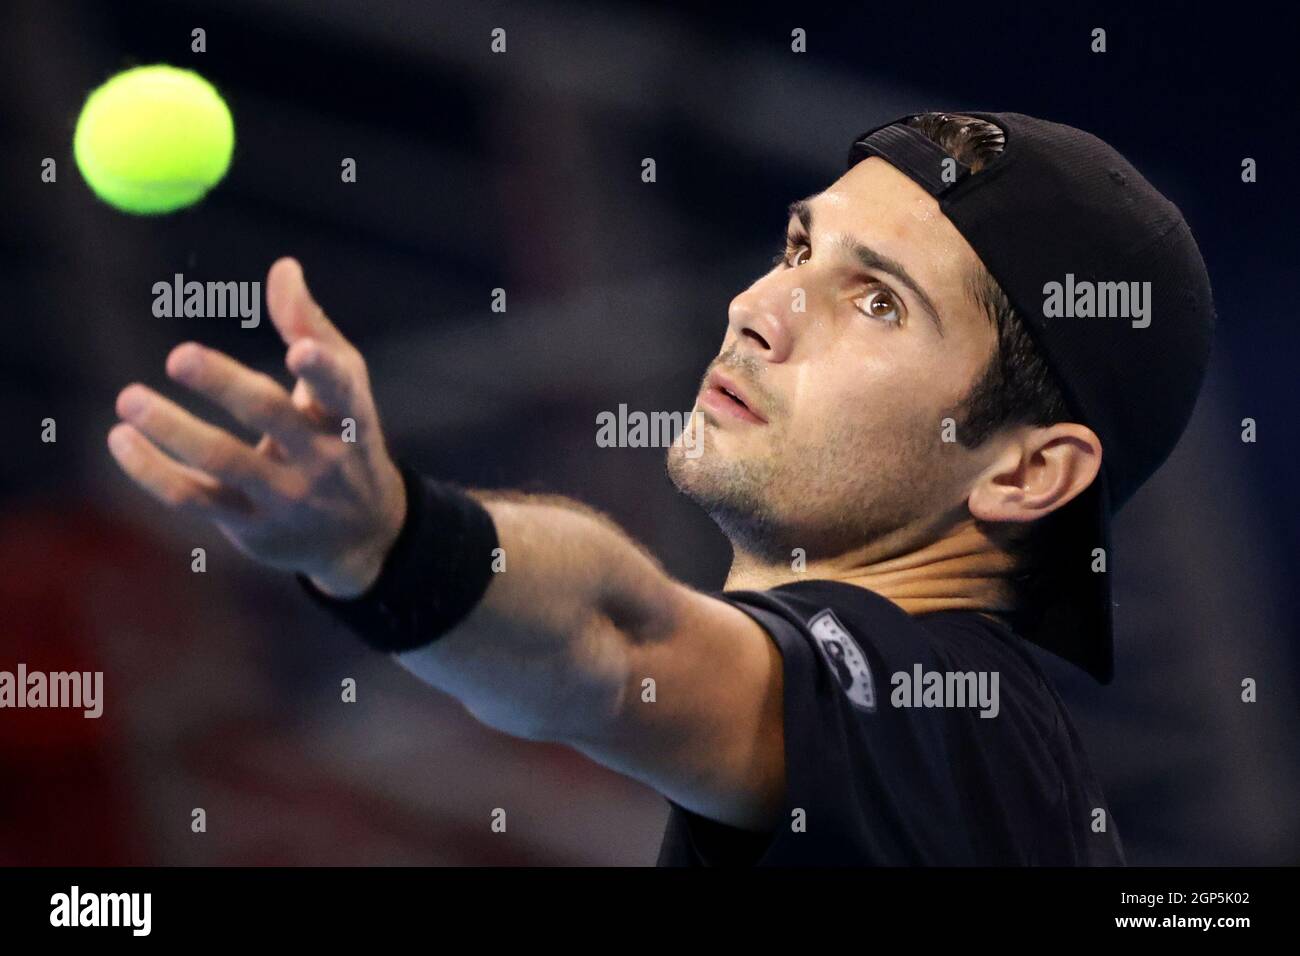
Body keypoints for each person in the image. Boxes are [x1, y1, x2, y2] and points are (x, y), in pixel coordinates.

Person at [107, 112, 1214, 865]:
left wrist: (389, 540)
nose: (757, 307)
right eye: (796, 248)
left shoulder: (970, 729)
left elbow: (620, 644)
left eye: (878, 301)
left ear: (1028, 470)